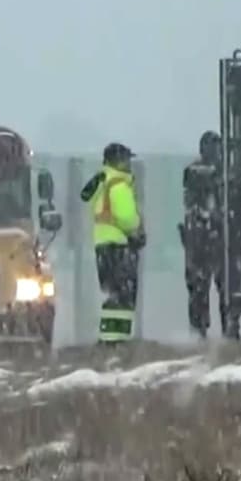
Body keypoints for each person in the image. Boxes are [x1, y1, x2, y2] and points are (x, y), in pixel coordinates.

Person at [178, 131, 241, 338]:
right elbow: (239, 205)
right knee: (222, 287)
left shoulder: (199, 172)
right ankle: (225, 327)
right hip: (215, 238)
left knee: (207, 287)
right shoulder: (221, 173)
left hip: (210, 238)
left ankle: (207, 328)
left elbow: (238, 205)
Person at [80, 142, 144, 344]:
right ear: (118, 161)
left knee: (112, 294)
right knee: (124, 296)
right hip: (119, 245)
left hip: (102, 245)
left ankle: (108, 336)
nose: (129, 164)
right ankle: (117, 340)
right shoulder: (118, 184)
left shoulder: (102, 182)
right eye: (126, 160)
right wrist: (137, 229)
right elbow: (128, 217)